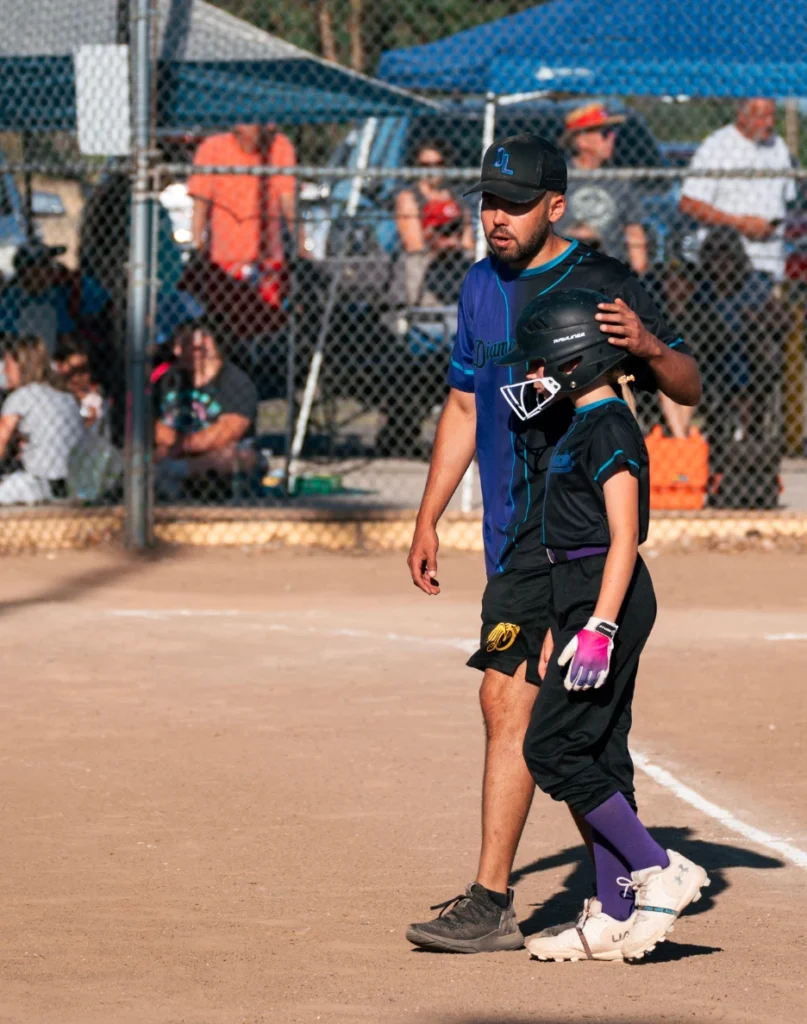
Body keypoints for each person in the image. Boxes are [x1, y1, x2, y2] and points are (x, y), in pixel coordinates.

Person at [405, 133, 700, 954]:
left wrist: (646, 347)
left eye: (513, 204)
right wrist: (429, 516)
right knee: (521, 705)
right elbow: (463, 405)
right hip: (508, 535)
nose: (495, 218)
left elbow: (685, 383)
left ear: (555, 205)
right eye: (487, 203)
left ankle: (547, 892)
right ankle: (594, 897)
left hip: (571, 535)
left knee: (541, 712)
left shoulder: (601, 281)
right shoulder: (477, 284)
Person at [492, 288, 709, 962]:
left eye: (540, 363)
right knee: (600, 750)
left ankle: (658, 867)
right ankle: (613, 913)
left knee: (551, 748)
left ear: (575, 358)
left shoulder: (609, 425)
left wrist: (601, 626)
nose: (532, 377)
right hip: (576, 596)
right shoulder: (576, 424)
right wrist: (561, 624)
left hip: (606, 596)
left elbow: (622, 537)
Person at [679, 98, 796, 284]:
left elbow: (788, 202)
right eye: (761, 116)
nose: (770, 123)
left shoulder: (778, 147)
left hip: (771, 264)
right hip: (725, 270)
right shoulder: (717, 146)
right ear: (742, 116)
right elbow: (689, 204)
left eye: (772, 115)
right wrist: (741, 224)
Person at [188, 124, 299, 315]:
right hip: (224, 260)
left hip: (269, 260)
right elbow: (201, 206)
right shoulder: (213, 148)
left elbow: (289, 203)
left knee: (268, 317)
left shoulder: (279, 146)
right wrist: (197, 245)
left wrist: (301, 246)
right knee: (224, 316)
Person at [154, 319, 258, 495]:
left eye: (183, 344)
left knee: (242, 455)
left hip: (210, 455)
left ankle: (178, 472)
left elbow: (228, 431)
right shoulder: (168, 379)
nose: (176, 352)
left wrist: (183, 446)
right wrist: (174, 446)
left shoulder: (235, 381)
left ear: (205, 344)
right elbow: (151, 426)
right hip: (173, 450)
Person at [556, 104, 648, 276]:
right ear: (582, 140)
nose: (612, 137)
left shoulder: (618, 182)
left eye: (613, 132)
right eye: (605, 133)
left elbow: (634, 233)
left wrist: (638, 278)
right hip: (562, 271)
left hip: (608, 272)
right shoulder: (557, 179)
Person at [0, 335, 84, 504]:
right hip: (73, 484)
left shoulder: (21, 396)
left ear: (21, 365)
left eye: (8, 365)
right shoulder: (66, 396)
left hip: (38, 484)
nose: (4, 371)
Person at [394, 140, 475, 306]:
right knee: (415, 260)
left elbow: (468, 242)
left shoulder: (457, 198)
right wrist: (437, 241)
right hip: (427, 261)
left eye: (438, 164)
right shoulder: (410, 197)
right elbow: (414, 245)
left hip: (455, 260)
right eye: (425, 165)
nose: (432, 170)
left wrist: (453, 242)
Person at [0, 242, 110, 358]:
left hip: (71, 349)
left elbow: (105, 303)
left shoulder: (68, 285)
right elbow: (7, 333)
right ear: (25, 271)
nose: (52, 267)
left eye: (50, 262)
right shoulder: (12, 296)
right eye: (43, 264)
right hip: (29, 354)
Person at [53, 335, 109, 434]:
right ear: (59, 367)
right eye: (72, 371)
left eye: (83, 370)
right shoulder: (51, 396)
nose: (76, 377)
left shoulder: (95, 401)